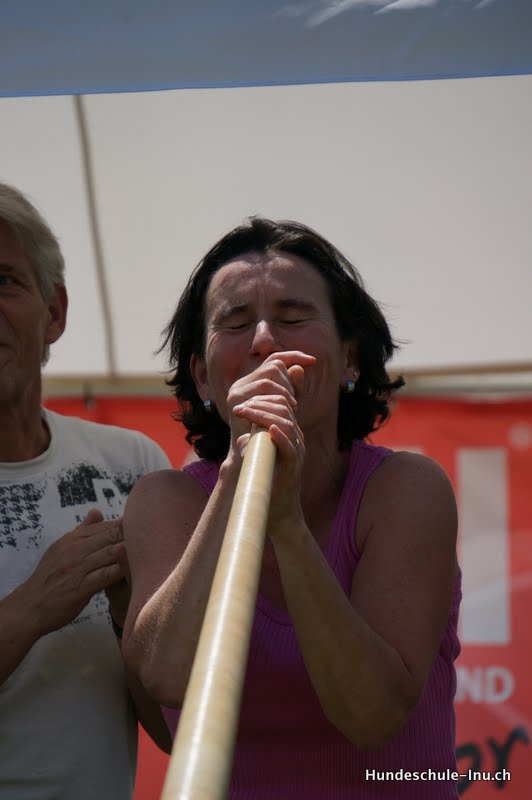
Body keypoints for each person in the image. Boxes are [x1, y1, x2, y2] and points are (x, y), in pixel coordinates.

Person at [122, 217, 461, 799]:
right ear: (202, 378)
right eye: (234, 323)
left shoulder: (407, 489)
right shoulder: (165, 500)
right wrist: (236, 480)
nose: (263, 341)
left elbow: (372, 714)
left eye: (293, 317)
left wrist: (286, 526)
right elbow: (167, 676)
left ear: (350, 359)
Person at [0, 182, 172, 800]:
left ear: (55, 313)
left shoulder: (133, 465)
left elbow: (177, 730)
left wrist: (132, 618)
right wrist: (36, 604)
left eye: (4, 281)